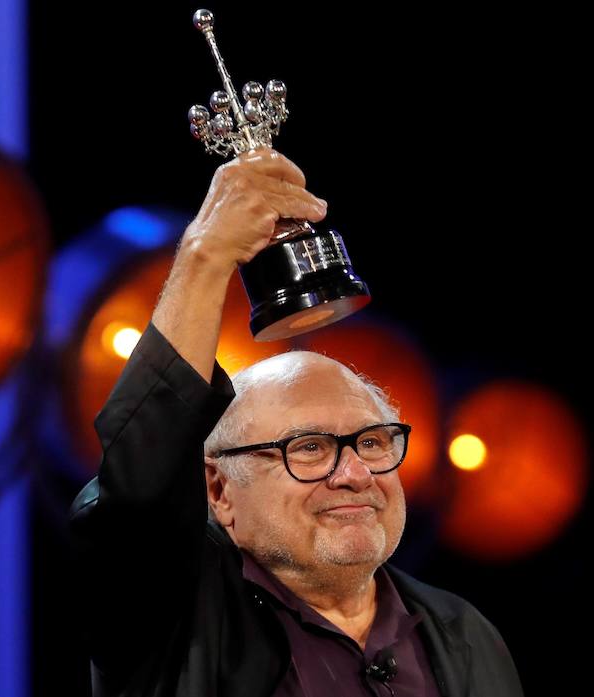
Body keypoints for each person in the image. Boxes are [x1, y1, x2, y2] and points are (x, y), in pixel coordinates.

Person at [69, 147, 524, 696]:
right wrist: (206, 255)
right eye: (309, 448)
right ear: (219, 490)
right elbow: (138, 493)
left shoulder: (466, 636)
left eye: (374, 442)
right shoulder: (173, 617)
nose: (354, 474)